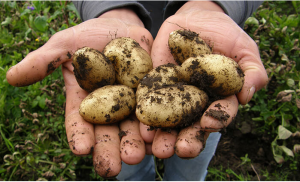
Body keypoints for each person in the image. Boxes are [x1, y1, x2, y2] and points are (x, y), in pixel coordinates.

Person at [6, 0, 268, 180]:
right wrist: (111, 9)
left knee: (195, 149)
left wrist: (212, 4)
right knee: (128, 157)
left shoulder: (186, 71)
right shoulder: (133, 82)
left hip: (200, 56)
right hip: (125, 36)